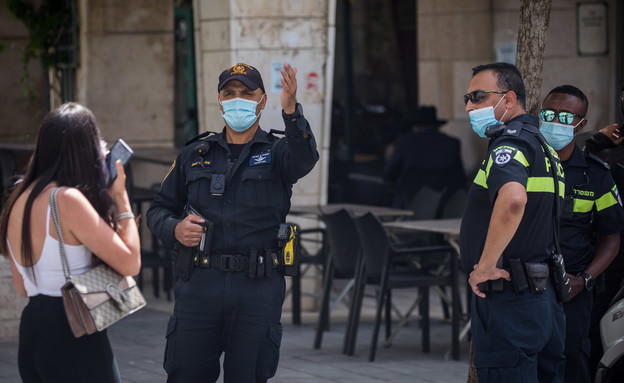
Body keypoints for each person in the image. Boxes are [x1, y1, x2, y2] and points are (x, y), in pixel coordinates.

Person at [146, 62, 318, 383]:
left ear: (262, 101)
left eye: (246, 93)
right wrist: (174, 229)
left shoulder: (279, 152)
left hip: (256, 291)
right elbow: (157, 210)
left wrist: (292, 113)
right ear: (220, 101)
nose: (237, 99)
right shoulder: (195, 153)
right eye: (230, 93)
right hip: (199, 288)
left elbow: (305, 158)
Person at [0, 102, 141, 383]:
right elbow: (130, 262)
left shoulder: (18, 198)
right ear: (86, 150)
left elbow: (21, 285)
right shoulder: (67, 199)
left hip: (33, 331)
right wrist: (121, 197)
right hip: (73, 330)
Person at [459, 62, 566, 383]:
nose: (468, 106)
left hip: (511, 299)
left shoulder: (509, 143)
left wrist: (485, 266)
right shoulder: (543, 144)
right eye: (466, 98)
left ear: (508, 99)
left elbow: (513, 199)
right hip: (544, 300)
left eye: (478, 97)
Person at [539, 85, 624, 383]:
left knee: (573, 359)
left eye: (565, 117)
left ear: (580, 124)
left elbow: (611, 237)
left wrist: (585, 279)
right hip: (524, 287)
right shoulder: (522, 164)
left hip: (573, 288)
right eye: (549, 114)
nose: (555, 122)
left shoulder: (596, 173)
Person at [383, 105, 466, 208]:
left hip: (409, 200)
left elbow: (389, 173)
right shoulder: (452, 143)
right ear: (437, 126)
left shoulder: (405, 141)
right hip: (442, 202)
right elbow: (460, 177)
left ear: (416, 126)